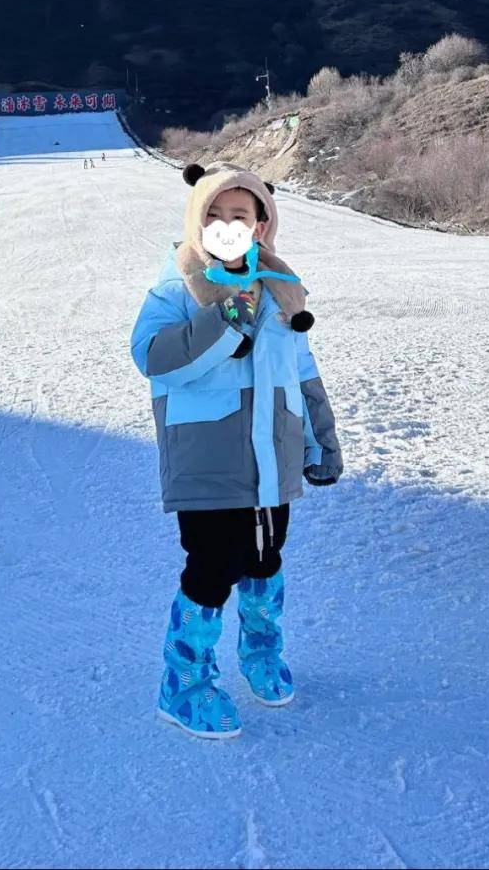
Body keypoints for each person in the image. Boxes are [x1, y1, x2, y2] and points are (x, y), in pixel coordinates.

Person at [130, 162, 342, 741]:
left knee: (266, 558)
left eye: (240, 215)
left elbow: (301, 368)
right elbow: (153, 357)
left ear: (261, 224)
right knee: (212, 567)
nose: (227, 225)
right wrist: (223, 320)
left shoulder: (280, 288)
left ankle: (261, 655)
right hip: (210, 457)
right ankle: (184, 685)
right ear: (197, 221)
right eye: (215, 215)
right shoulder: (177, 286)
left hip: (273, 458)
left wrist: (321, 436)